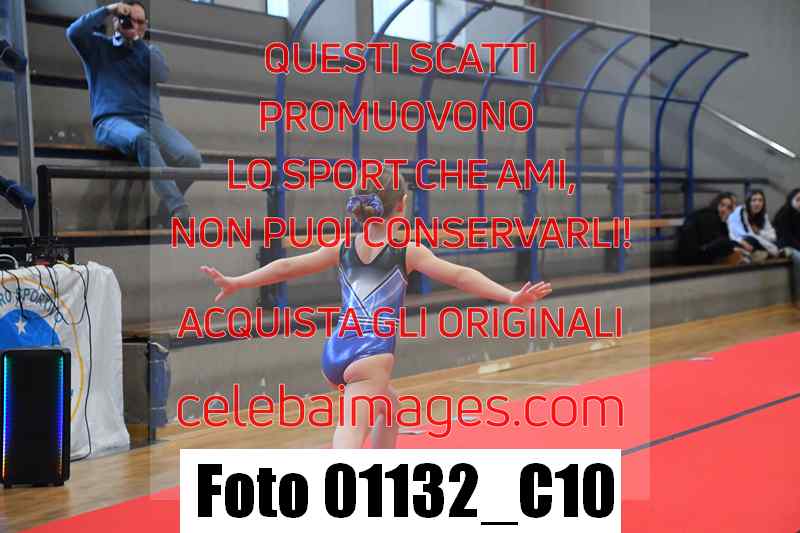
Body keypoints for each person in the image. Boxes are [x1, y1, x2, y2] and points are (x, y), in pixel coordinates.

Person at [200, 171, 553, 449]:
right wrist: (510, 297)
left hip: (336, 352)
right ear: (403, 205)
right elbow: (460, 276)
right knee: (351, 429)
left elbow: (286, 267)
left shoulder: (342, 246)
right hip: (370, 356)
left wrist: (238, 282)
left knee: (389, 408)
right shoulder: (406, 250)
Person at [66, 1, 198, 227]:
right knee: (142, 139)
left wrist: (136, 41)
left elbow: (161, 74)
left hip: (151, 121)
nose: (133, 24)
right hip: (112, 120)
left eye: (139, 22)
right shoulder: (98, 46)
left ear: (145, 26)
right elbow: (73, 32)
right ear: (116, 21)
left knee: (191, 158)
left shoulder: (149, 51)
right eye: (128, 19)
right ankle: (178, 208)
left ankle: (164, 214)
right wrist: (109, 9)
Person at [677, 192, 748, 265]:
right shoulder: (709, 217)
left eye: (731, 207)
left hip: (689, 256)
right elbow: (712, 242)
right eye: (724, 205)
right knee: (729, 242)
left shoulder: (707, 214)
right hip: (692, 258)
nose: (725, 209)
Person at [727, 189, 780, 262]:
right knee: (750, 240)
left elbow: (773, 236)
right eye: (754, 200)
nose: (757, 203)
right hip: (742, 242)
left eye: (760, 200)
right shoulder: (739, 212)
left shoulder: (763, 215)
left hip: (758, 243)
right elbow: (736, 235)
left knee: (779, 242)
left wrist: (759, 232)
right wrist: (772, 248)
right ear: (748, 202)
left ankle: (758, 254)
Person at [773, 188, 800, 307]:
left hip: (796, 245)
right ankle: (798, 298)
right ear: (791, 199)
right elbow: (787, 237)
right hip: (784, 246)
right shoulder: (784, 213)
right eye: (798, 199)